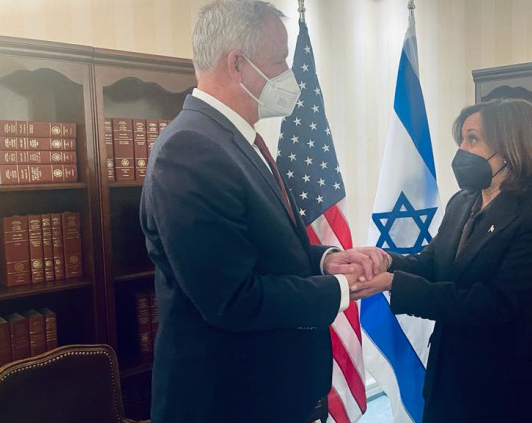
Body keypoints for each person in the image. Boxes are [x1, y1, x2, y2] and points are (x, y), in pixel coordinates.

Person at [139, 1, 379, 422]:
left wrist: (325, 261)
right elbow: (233, 298)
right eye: (279, 60)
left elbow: (261, 247)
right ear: (237, 64)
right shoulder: (191, 149)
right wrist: (340, 290)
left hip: (270, 392)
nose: (289, 74)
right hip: (229, 402)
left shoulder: (233, 139)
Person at [351, 99, 532, 422]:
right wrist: (387, 261)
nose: (461, 150)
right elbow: (433, 264)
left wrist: (395, 284)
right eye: (461, 139)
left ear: (510, 145)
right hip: (449, 375)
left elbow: (496, 303)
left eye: (472, 139)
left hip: (508, 387)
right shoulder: (462, 202)